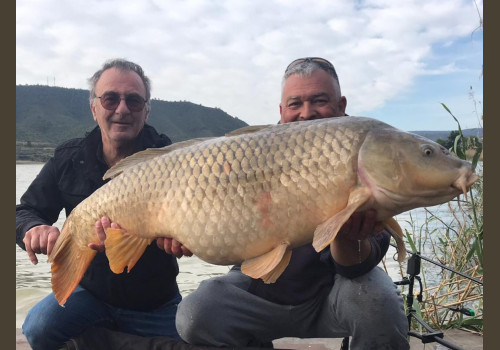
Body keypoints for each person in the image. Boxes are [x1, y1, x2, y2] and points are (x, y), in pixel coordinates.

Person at [175, 57, 410, 349]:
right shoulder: (252, 153)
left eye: (319, 101)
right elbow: (211, 218)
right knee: (195, 313)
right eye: (295, 104)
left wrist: (348, 235)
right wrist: (184, 233)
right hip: (260, 290)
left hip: (333, 296)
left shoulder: (368, 152)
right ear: (282, 111)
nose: (306, 113)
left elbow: (353, 269)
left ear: (341, 106)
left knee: (378, 300)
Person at [16, 58, 191, 350]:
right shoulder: (68, 157)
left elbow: (195, 224)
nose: (122, 109)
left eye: (133, 101)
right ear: (94, 108)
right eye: (110, 99)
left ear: (146, 111)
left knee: (201, 338)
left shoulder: (169, 159)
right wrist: (34, 228)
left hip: (156, 303)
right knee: (38, 327)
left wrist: (185, 240)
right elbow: (24, 211)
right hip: (90, 295)